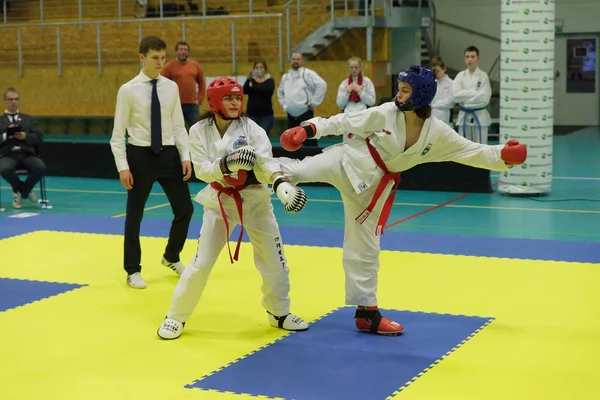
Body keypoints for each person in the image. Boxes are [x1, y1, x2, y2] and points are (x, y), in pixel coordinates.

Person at [277, 65, 527, 336]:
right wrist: (308, 129)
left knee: (366, 250)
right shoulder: (385, 112)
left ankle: (366, 313)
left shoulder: (437, 134)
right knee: (298, 171)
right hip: (347, 161)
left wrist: (503, 155)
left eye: (405, 90)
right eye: (400, 88)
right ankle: (250, 170)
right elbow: (344, 122)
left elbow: (470, 151)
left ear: (420, 95)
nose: (399, 94)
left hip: (373, 189)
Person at [157, 77, 310, 340]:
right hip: (220, 202)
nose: (235, 103)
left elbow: (266, 162)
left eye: (238, 98)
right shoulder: (198, 131)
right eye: (229, 98)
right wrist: (227, 164)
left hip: (255, 200)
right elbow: (203, 170)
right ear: (215, 101)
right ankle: (176, 315)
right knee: (200, 263)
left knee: (276, 262)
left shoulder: (252, 129)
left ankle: (279, 313)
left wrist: (282, 186)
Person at [110, 36, 195, 289]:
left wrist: (185, 156)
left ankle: (171, 257)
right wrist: (122, 166)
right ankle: (132, 269)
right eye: (155, 58)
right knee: (134, 216)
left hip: (169, 154)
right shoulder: (127, 90)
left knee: (185, 210)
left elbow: (179, 127)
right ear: (142, 58)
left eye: (162, 57)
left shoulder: (171, 87)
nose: (160, 62)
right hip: (140, 156)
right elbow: (117, 135)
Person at [0, 87, 46, 209]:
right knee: (4, 169)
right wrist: (5, 135)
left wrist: (25, 136)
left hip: (26, 153)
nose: (14, 102)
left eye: (16, 99)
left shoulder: (29, 119)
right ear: (5, 101)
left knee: (40, 167)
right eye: (10, 99)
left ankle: (21, 192)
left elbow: (39, 137)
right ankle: (22, 190)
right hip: (7, 154)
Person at [277, 52, 327, 147]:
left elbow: (322, 85)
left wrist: (314, 103)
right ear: (290, 61)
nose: (296, 61)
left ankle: (313, 159)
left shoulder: (308, 74)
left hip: (305, 113)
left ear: (302, 61)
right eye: (293, 59)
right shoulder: (286, 76)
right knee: (291, 141)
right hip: (290, 114)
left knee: (309, 139)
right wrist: (284, 105)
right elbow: (280, 91)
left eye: (298, 59)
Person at [161, 41, 206, 128]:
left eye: (185, 50)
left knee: (196, 129)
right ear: (176, 52)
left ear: (188, 52)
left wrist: (199, 99)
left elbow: (202, 82)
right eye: (181, 49)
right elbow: (163, 85)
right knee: (177, 130)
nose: (183, 51)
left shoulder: (195, 65)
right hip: (176, 105)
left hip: (193, 105)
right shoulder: (169, 67)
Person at [452, 46, 492, 144]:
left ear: (478, 58)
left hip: (480, 117)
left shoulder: (483, 76)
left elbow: (484, 98)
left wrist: (466, 102)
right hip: (464, 117)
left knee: (481, 147)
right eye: (467, 56)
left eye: (472, 56)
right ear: (465, 58)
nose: (470, 59)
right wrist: (473, 93)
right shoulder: (460, 76)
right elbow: (455, 96)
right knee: (464, 147)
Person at [336, 56, 376, 142]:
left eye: (356, 67)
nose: (354, 69)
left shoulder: (367, 82)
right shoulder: (344, 83)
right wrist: (347, 92)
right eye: (351, 67)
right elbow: (340, 104)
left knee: (362, 141)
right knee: (348, 142)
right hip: (348, 115)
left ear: (360, 68)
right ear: (348, 68)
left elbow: (372, 101)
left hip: (363, 114)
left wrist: (360, 92)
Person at [243, 58, 275, 135]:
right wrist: (249, 79)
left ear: (265, 69)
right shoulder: (251, 81)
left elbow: (267, 90)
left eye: (261, 67)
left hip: (265, 115)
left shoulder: (269, 81)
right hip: (251, 114)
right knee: (251, 135)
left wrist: (253, 87)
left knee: (262, 135)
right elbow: (244, 91)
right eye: (257, 68)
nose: (259, 69)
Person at [429, 56, 455, 127]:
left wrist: (433, 105)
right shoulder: (431, 83)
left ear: (444, 69)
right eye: (434, 71)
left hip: (445, 119)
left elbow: (450, 103)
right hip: (432, 118)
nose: (436, 74)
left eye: (438, 71)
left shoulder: (451, 83)